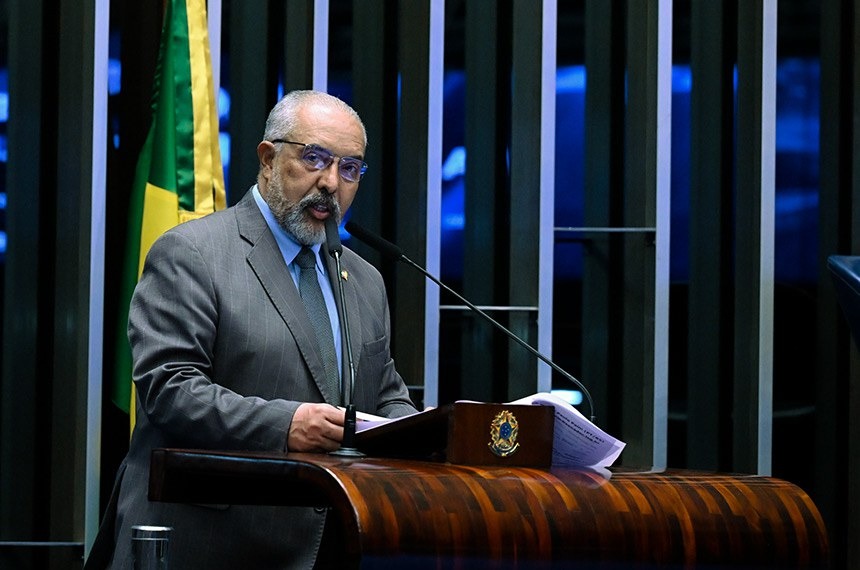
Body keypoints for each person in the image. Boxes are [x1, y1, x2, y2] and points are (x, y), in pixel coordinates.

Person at [87, 90, 417, 569]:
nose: (331, 183)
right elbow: (170, 390)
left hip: (332, 546)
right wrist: (286, 425)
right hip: (209, 546)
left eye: (349, 169)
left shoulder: (363, 279)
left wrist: (428, 433)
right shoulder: (193, 253)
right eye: (314, 158)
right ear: (267, 159)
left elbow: (385, 395)